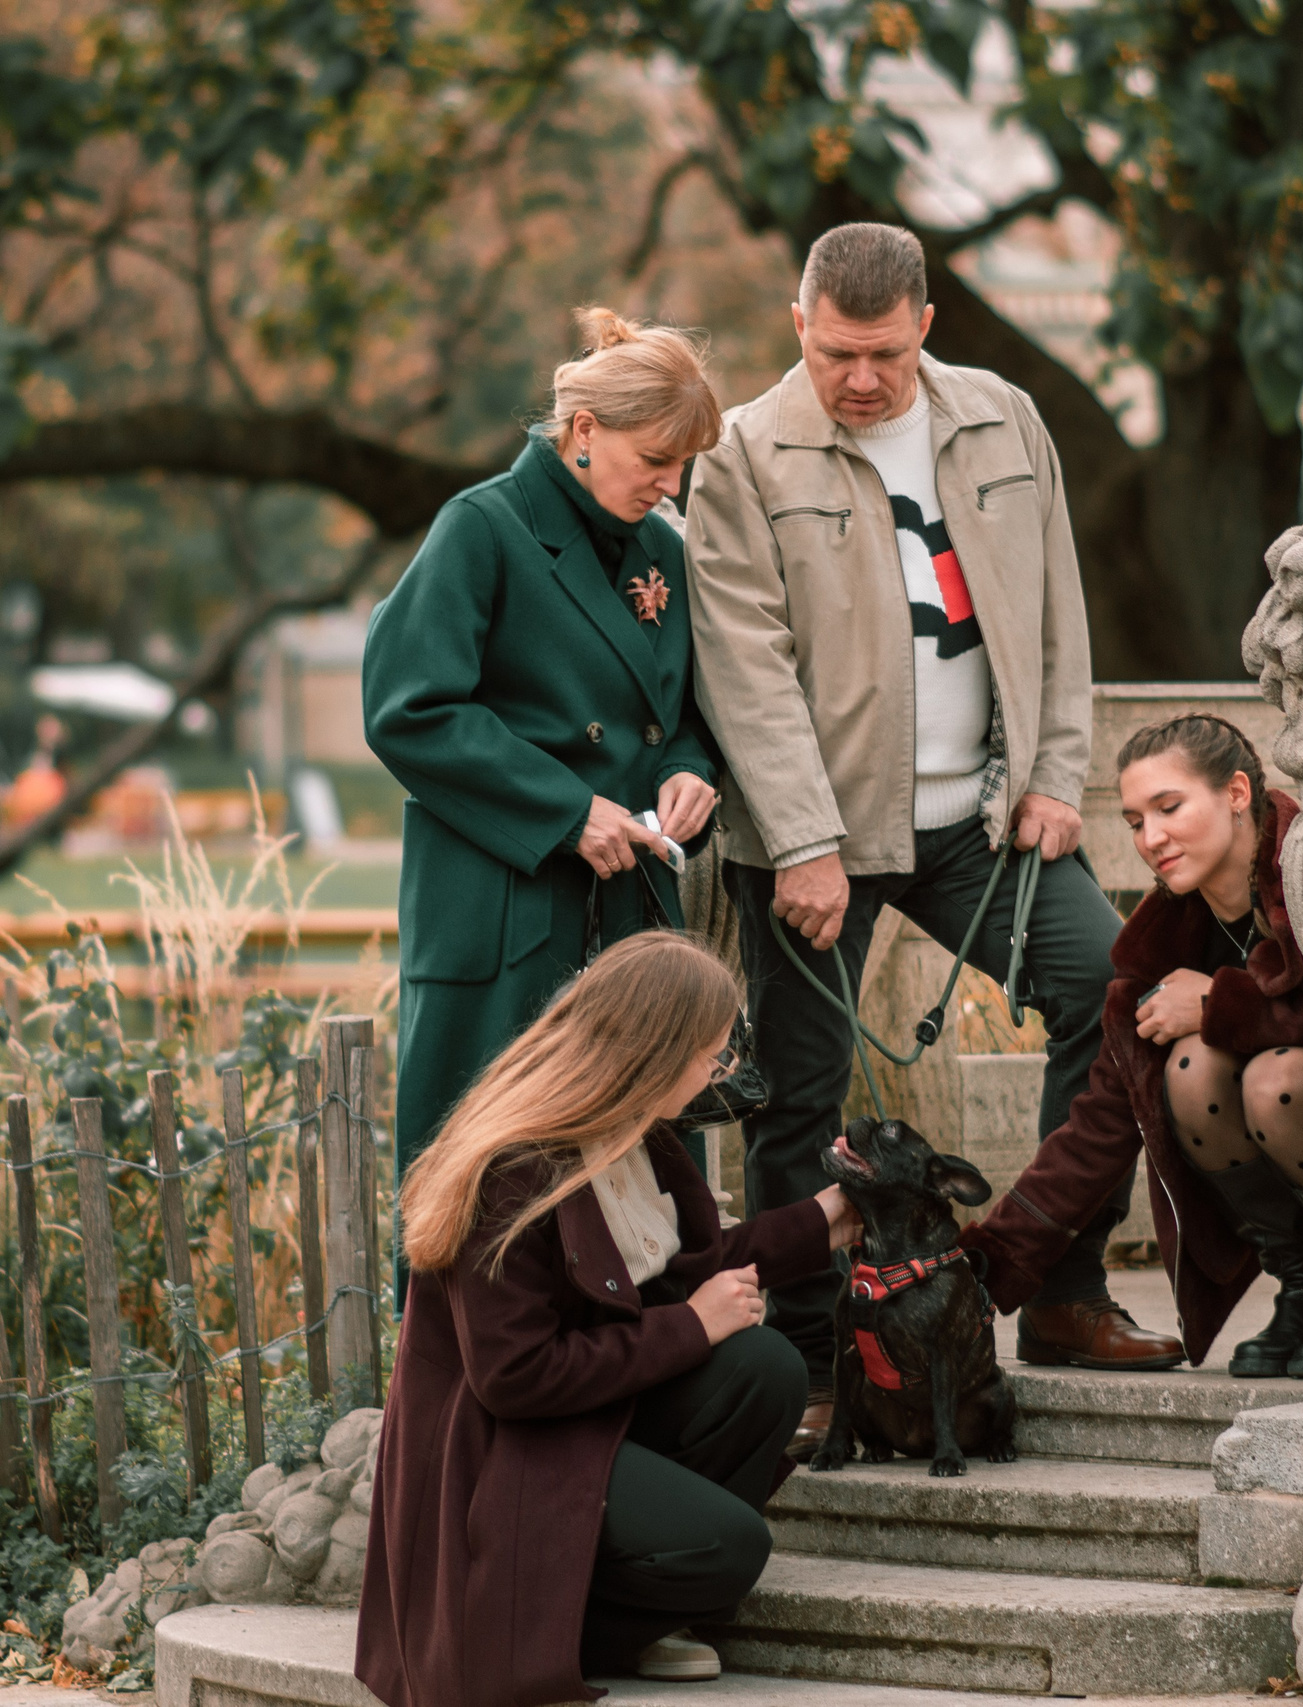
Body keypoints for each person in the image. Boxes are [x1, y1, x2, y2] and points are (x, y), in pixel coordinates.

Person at [685, 222, 1178, 1444]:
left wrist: (1059, 776)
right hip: (819, 844)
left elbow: (1056, 604)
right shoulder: (743, 452)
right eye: (837, 353)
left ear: (925, 330)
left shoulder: (1004, 418)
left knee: (1105, 993)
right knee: (795, 1099)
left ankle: (1059, 1289)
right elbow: (741, 665)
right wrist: (801, 841)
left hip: (985, 826)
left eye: (885, 356)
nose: (860, 380)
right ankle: (806, 1356)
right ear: (800, 327)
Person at [357, 933, 863, 1706]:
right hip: (500, 1457)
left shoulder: (637, 1130)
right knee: (733, 1547)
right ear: (656, 1053)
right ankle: (555, 1626)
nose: (719, 1074)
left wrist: (827, 1218)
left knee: (767, 1368)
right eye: (712, 1056)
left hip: (578, 1421)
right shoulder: (512, 1168)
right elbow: (514, 1378)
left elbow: (695, 1262)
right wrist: (692, 1326)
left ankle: (633, 1601)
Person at [364, 308, 726, 1215]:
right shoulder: (479, 527)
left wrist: (689, 771)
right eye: (657, 459)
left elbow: (675, 713)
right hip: (506, 910)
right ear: (585, 431)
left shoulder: (662, 550)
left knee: (637, 1196)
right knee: (481, 1186)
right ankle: (456, 1367)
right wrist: (568, 811)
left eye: (683, 464)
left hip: (628, 909)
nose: (671, 485)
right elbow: (408, 709)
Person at [961, 715, 1303, 1379]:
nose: (1150, 839)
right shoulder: (1165, 939)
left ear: (1237, 793)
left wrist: (1219, 1003)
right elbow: (1098, 1123)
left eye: (1169, 807)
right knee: (1190, 1071)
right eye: (1133, 820)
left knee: (1279, 1084)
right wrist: (981, 1269)